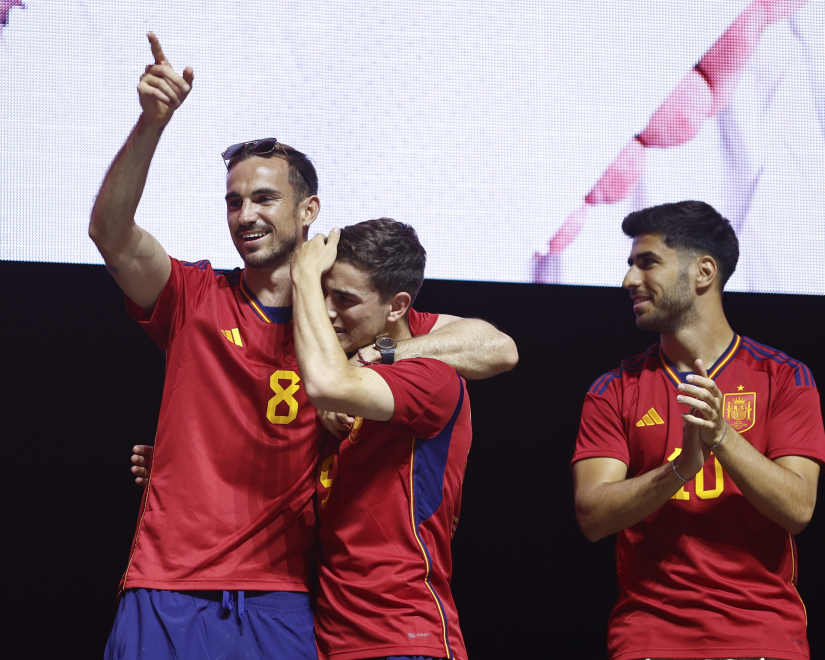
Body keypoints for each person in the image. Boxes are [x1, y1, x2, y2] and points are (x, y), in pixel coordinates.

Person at [90, 34, 517, 659]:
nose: (245, 215)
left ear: (308, 210)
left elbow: (496, 346)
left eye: (264, 198)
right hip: (168, 583)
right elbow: (110, 232)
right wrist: (152, 123)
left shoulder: (347, 323)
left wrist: (381, 355)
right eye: (234, 201)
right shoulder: (195, 294)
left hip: (281, 597)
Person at [133, 219, 479, 659]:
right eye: (324, 293)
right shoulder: (346, 379)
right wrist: (182, 470)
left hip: (404, 634)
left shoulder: (428, 377)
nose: (327, 311)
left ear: (397, 307)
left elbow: (502, 347)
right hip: (329, 636)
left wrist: (304, 275)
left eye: (346, 300)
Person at [571, 200, 825, 660]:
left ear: (704, 272)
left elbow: (798, 508)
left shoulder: (785, 377)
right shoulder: (613, 389)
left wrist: (722, 437)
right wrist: (681, 469)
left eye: (647, 263)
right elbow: (592, 517)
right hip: (648, 638)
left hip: (763, 636)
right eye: (629, 264)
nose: (629, 280)